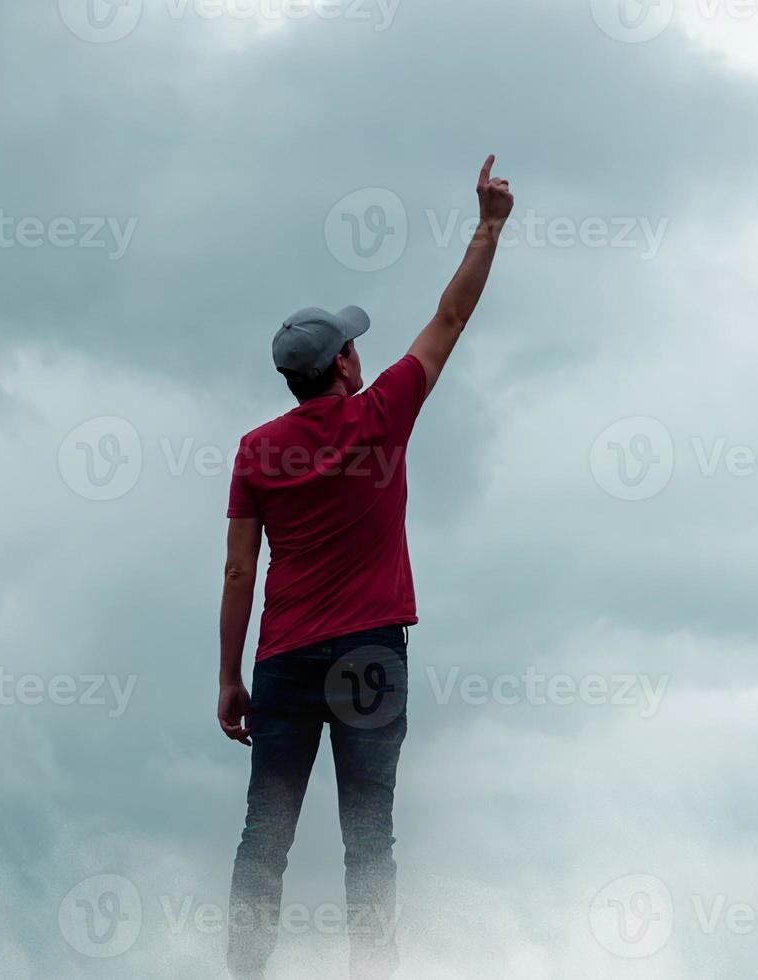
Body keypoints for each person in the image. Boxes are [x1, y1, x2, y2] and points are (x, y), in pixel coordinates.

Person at [217, 155, 514, 979]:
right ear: (344, 366)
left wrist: (228, 677)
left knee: (264, 834)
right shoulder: (382, 413)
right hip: (371, 658)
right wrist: (489, 225)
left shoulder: (255, 451)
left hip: (282, 659)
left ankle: (244, 970)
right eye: (354, 345)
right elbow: (450, 318)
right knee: (369, 837)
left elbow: (240, 574)